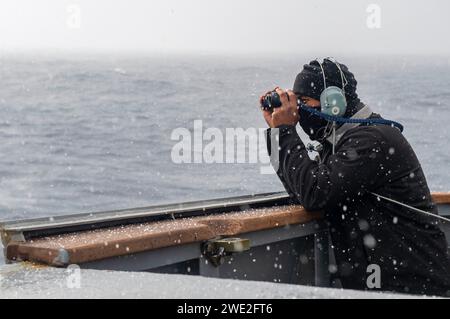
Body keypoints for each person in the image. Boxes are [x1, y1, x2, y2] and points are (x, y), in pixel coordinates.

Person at [260, 58, 450, 296]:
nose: (298, 110)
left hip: (413, 288)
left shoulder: (372, 141)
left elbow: (314, 193)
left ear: (334, 102)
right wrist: (277, 132)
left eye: (304, 101)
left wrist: (285, 130)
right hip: (385, 287)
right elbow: (300, 189)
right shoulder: (341, 145)